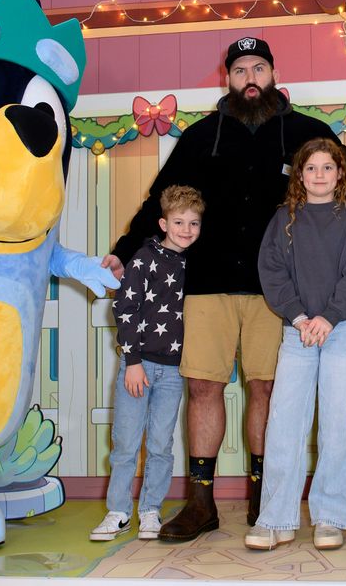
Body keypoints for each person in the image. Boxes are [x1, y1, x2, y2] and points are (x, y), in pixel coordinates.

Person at [102, 37, 346, 541]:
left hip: (278, 296)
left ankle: (263, 500)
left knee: (268, 392)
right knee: (204, 388)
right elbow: (159, 200)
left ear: (273, 73)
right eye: (240, 70)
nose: (249, 78)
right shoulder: (201, 135)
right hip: (207, 284)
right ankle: (201, 501)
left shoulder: (306, 132)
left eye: (259, 67)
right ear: (227, 78)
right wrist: (124, 251)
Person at [246, 138, 346, 551]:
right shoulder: (285, 217)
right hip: (298, 331)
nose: (320, 174)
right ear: (299, 175)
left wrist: (329, 317)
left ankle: (331, 516)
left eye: (328, 167)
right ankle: (276, 518)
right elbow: (272, 271)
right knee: (284, 424)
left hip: (343, 328)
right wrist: (300, 317)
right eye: (311, 168)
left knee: (339, 424)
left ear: (340, 174)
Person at [91, 185, 204, 543]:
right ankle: (119, 511)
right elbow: (124, 308)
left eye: (194, 223)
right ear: (163, 222)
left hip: (173, 371)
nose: (186, 230)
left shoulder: (195, 265)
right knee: (126, 442)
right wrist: (133, 362)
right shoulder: (144, 258)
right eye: (179, 222)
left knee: (160, 444)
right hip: (138, 367)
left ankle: (151, 510)